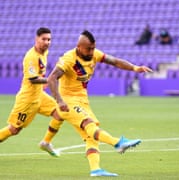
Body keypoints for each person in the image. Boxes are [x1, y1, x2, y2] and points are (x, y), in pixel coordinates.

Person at [47, 30, 153, 177]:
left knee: (91, 136)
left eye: (93, 48)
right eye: (88, 48)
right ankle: (118, 143)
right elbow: (51, 78)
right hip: (68, 100)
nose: (92, 51)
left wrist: (135, 68)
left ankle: (95, 169)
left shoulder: (94, 54)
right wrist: (59, 100)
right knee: (89, 125)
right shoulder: (68, 59)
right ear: (79, 47)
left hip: (83, 100)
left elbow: (115, 61)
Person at [0, 27, 63, 157]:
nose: (47, 42)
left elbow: (40, 74)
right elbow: (33, 79)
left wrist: (47, 81)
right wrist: (50, 80)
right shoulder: (31, 56)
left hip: (39, 95)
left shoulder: (44, 52)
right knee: (14, 129)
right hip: (28, 99)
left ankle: (46, 142)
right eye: (44, 39)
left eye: (49, 39)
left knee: (60, 112)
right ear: (36, 39)